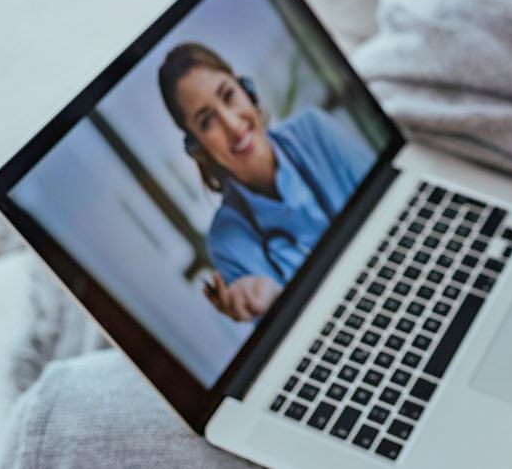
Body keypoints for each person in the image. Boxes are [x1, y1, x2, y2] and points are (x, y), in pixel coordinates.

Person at [158, 42, 375, 323]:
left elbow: (390, 203)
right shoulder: (227, 243)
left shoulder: (314, 130)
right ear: (197, 146)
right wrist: (275, 299)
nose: (234, 126)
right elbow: (292, 337)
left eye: (228, 95)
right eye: (207, 121)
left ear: (247, 91)